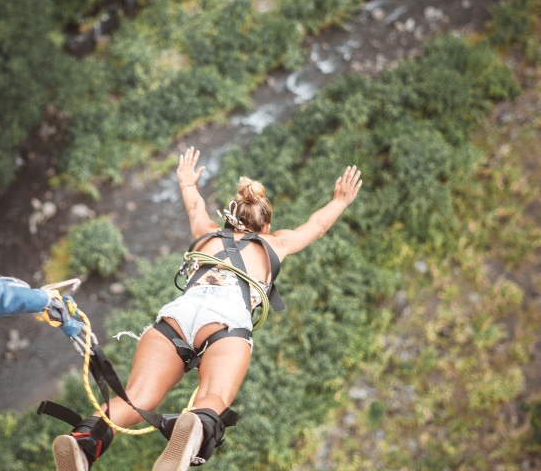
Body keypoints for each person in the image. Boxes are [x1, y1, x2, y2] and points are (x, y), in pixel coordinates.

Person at [52, 147, 363, 471]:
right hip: (226, 320)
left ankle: (83, 442)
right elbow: (316, 227)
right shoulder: (276, 243)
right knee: (212, 396)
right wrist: (340, 200)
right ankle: (195, 426)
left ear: (231, 218)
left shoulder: (206, 234)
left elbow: (195, 207)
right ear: (266, 226)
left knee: (137, 398)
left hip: (176, 317)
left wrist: (187, 182)